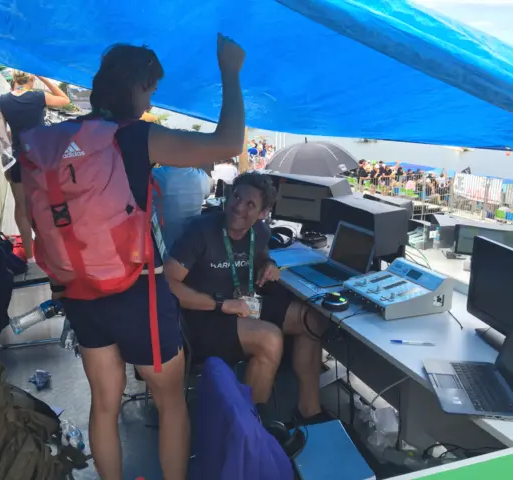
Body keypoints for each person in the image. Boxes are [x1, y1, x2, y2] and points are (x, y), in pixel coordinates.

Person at [56, 34, 246, 480]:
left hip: (82, 288)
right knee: (171, 398)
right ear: (136, 86)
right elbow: (228, 144)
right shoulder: (136, 137)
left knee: (104, 401)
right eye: (150, 90)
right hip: (137, 290)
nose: (150, 99)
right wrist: (231, 72)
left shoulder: (65, 137)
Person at [165, 172, 330, 426]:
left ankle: (309, 409)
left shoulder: (260, 232)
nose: (238, 207)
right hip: (200, 317)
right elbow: (167, 283)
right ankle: (246, 431)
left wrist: (269, 264)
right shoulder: (201, 231)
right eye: (236, 196)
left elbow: (260, 255)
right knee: (270, 339)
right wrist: (220, 304)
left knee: (310, 319)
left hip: (240, 306)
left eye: (250, 204)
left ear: (263, 213)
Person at [0, 71, 70, 260]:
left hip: (16, 159)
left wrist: (6, 165)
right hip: (40, 160)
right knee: (45, 204)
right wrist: (45, 77)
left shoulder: (2, 100)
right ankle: (48, 249)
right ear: (32, 79)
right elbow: (64, 100)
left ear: (14, 79)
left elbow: (1, 136)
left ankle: (29, 256)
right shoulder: (38, 97)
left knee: (22, 207)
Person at [152, 164, 213, 251]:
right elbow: (211, 184)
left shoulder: (157, 174)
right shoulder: (201, 177)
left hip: (164, 249)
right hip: (193, 247)